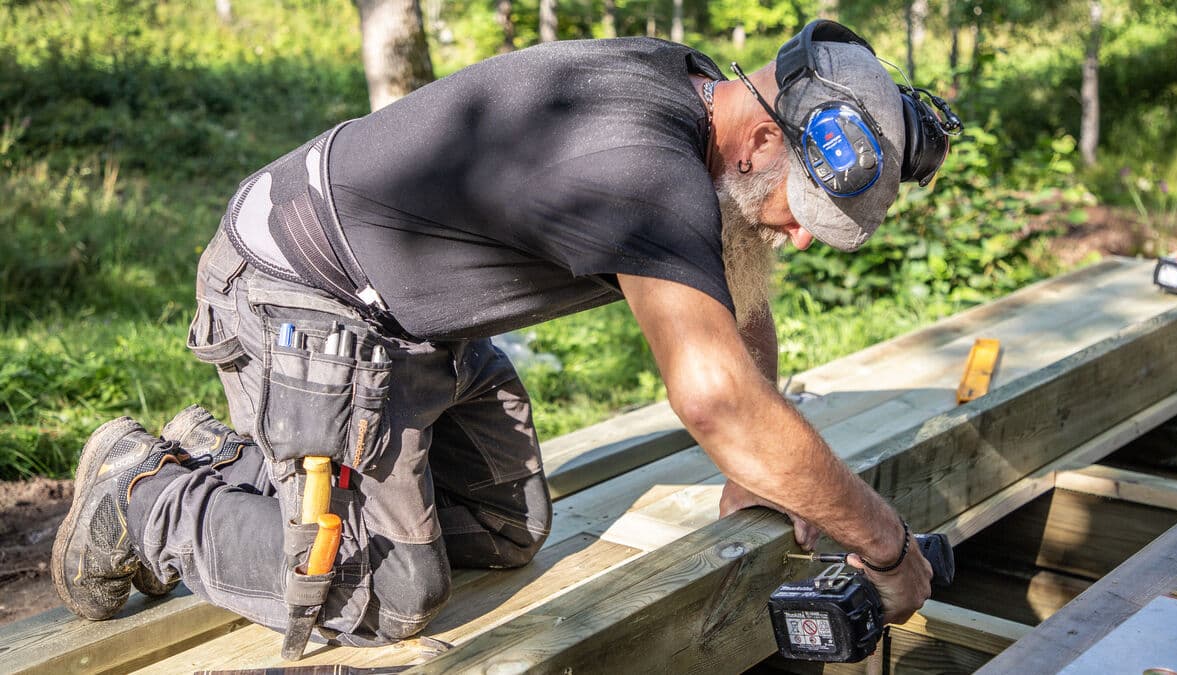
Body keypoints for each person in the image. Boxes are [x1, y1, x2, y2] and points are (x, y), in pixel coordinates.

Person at [53, 20, 960, 646]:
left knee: (503, 526)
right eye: (799, 211)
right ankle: (143, 494)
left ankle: (245, 461)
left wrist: (757, 472)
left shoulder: (700, 106)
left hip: (411, 315)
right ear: (762, 138)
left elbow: (738, 314)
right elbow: (717, 394)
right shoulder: (641, 165)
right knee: (389, 590)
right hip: (302, 290)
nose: (796, 234)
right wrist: (881, 542)